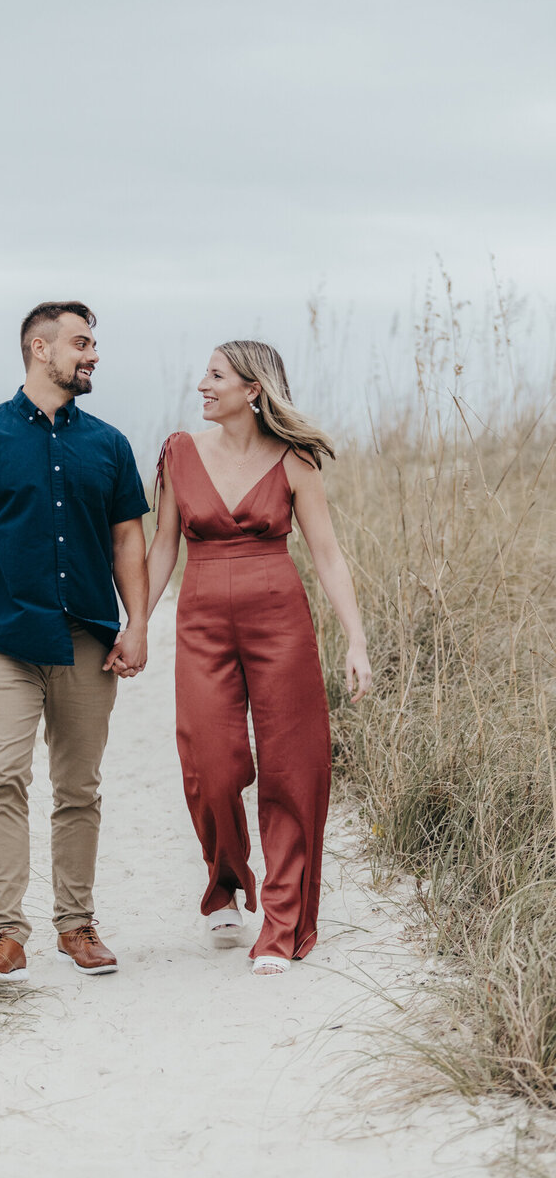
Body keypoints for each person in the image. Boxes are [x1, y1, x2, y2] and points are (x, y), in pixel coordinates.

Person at [0, 301, 149, 984]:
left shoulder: (107, 444)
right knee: (2, 780)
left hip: (85, 638)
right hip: (6, 640)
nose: (93, 355)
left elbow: (127, 538)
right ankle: (4, 937)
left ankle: (76, 927)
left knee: (79, 788)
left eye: (94, 343)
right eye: (82, 343)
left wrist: (136, 624)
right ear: (39, 349)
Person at [144, 340, 371, 976]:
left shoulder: (296, 462)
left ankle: (281, 921)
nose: (201, 386)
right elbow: (163, 547)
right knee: (212, 762)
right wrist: (135, 623)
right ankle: (226, 881)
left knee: (291, 768)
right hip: (202, 623)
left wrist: (355, 639)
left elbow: (327, 553)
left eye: (214, 376)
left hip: (281, 622)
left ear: (253, 390)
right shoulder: (179, 452)